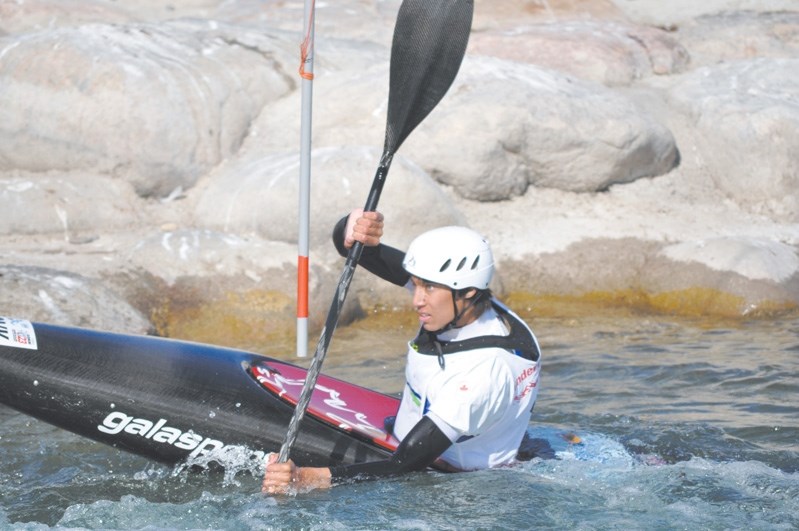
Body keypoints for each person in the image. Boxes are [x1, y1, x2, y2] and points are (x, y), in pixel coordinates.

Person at [262, 209, 542, 494]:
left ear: (468, 292)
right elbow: (359, 253)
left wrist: (305, 479)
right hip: (425, 437)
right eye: (416, 284)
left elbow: (403, 466)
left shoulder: (480, 376)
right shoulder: (467, 303)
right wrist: (350, 230)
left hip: (454, 485)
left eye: (428, 288)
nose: (417, 299)